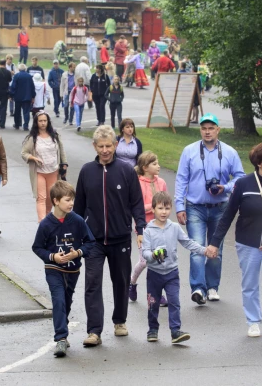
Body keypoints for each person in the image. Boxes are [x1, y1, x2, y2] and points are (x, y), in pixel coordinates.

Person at [207, 143, 262, 343]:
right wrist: (214, 243)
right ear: (259, 161)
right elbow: (228, 215)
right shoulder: (243, 184)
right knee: (250, 284)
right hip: (247, 243)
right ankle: (253, 321)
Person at [73, 125, 146, 347]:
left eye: (109, 146)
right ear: (94, 146)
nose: (105, 150)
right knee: (92, 284)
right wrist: (76, 236)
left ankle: (120, 321)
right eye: (101, 146)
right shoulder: (86, 171)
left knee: (121, 282)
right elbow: (79, 208)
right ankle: (94, 330)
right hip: (93, 240)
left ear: (115, 145)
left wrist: (140, 229)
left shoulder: (126, 171)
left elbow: (136, 203)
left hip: (120, 238)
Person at [174, 113, 245, 305]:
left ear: (218, 130)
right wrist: (179, 206)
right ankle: (198, 288)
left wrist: (226, 187)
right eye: (204, 128)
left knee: (216, 249)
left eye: (211, 128)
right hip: (195, 207)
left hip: (220, 207)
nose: (207, 131)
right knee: (197, 248)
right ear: (201, 130)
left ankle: (212, 286)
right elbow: (181, 179)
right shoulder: (189, 151)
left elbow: (240, 177)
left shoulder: (229, 152)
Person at [32, 180, 95, 358]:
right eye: (67, 200)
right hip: (53, 270)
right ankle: (61, 338)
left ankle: (62, 327)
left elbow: (90, 242)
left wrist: (78, 253)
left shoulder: (77, 221)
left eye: (72, 200)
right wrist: (53, 257)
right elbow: (37, 247)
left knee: (66, 303)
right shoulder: (46, 224)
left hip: (73, 270)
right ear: (56, 201)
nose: (71, 203)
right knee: (58, 300)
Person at [142, 191, 210, 343]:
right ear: (153, 209)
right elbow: (144, 251)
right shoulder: (148, 230)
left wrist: (204, 250)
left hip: (172, 272)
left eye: (167, 208)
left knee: (174, 301)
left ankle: (175, 331)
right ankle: (153, 329)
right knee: (153, 302)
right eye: (160, 208)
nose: (163, 212)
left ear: (171, 209)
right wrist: (153, 255)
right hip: (154, 273)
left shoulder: (174, 227)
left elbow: (188, 242)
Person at [130, 151, 168, 303]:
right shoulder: (137, 183)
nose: (158, 166)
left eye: (158, 163)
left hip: (160, 227)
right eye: (154, 164)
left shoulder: (162, 183)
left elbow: (166, 203)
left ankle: (157, 294)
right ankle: (132, 283)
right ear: (145, 167)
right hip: (143, 228)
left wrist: (163, 211)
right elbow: (135, 206)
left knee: (160, 260)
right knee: (146, 261)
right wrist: (152, 207)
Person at [22, 112, 68, 222]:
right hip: (39, 172)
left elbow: (62, 151)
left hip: (53, 171)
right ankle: (42, 222)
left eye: (45, 121)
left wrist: (64, 164)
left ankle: (46, 222)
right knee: (41, 198)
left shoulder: (55, 135)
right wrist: (33, 158)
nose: (43, 123)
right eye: (40, 121)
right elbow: (24, 153)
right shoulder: (32, 138)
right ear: (36, 123)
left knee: (50, 199)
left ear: (48, 122)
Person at [9, 63, 35, 131]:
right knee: (26, 112)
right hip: (27, 97)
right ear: (25, 69)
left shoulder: (17, 76)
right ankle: (26, 125)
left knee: (17, 111)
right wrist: (33, 96)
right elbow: (32, 87)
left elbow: (13, 86)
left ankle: (17, 124)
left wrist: (11, 95)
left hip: (18, 97)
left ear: (19, 69)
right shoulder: (29, 76)